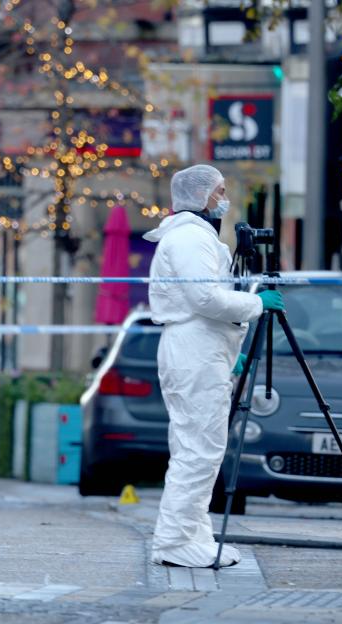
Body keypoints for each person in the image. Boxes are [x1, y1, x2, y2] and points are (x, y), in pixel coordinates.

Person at [143, 164, 284, 569]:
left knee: (200, 449)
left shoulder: (195, 236)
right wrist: (257, 303)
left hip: (202, 351)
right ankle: (173, 542)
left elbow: (205, 305)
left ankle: (192, 533)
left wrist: (228, 351)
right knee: (197, 450)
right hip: (194, 352)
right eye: (220, 191)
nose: (224, 198)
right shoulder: (190, 238)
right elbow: (205, 299)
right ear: (203, 196)